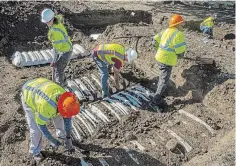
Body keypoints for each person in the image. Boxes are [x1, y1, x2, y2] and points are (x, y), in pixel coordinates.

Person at [21, 78, 80, 161]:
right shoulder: (45, 107)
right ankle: (34, 151)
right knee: (36, 130)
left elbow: (67, 119)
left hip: (40, 83)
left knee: (59, 116)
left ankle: (62, 136)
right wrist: (52, 139)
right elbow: (41, 125)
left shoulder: (66, 99)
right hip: (28, 93)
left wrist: (68, 137)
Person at [152, 14, 186, 107]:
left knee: (163, 76)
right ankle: (156, 99)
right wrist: (180, 55)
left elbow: (154, 40)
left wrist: (157, 50)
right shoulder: (178, 34)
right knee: (164, 79)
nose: (183, 26)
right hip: (166, 60)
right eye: (181, 24)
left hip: (159, 57)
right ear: (178, 24)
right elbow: (180, 50)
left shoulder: (165, 30)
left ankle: (162, 89)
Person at [41, 9, 73, 86]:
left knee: (59, 69)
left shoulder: (54, 32)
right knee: (58, 68)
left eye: (48, 21)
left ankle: (61, 85)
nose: (47, 23)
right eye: (46, 22)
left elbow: (57, 48)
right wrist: (55, 60)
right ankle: (64, 83)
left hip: (65, 51)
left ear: (52, 19)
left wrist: (54, 60)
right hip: (65, 47)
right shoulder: (56, 21)